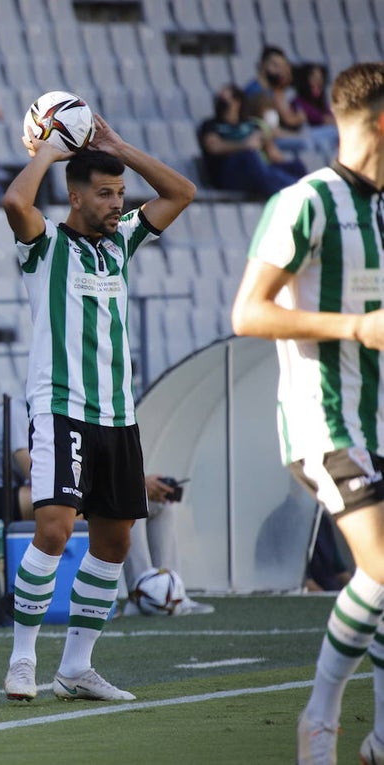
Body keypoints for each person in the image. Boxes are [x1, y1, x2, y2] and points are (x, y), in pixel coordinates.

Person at [0, 115, 196, 702]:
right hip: (62, 409)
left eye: (120, 194)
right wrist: (49, 153)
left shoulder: (122, 242)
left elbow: (181, 192)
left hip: (118, 414)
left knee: (114, 543)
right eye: (106, 193)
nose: (118, 203)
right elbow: (15, 201)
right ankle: (21, 659)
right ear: (75, 195)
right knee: (55, 530)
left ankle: (77, 668)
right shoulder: (45, 246)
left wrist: (119, 150)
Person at [229, 62, 384, 765]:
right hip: (325, 421)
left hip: (376, 420)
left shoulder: (380, 209)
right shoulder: (307, 201)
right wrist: (355, 328)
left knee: (380, 581)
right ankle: (319, 715)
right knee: (382, 568)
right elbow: (248, 311)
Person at [120, 474, 214, 616]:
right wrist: (138, 486)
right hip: (85, 501)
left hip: (109, 494)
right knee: (133, 500)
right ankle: (141, 595)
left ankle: (173, 593)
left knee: (160, 503)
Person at [198, 84, 306, 199]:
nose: (221, 102)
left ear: (237, 102)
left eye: (225, 99)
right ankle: (296, 194)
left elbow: (274, 155)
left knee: (296, 167)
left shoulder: (252, 125)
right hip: (229, 175)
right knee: (249, 156)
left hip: (259, 170)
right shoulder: (211, 125)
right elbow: (214, 147)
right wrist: (245, 145)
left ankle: (303, 190)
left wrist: (267, 142)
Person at [242, 45, 306, 152]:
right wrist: (293, 135)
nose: (279, 71)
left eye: (281, 67)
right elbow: (270, 130)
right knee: (306, 143)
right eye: (275, 65)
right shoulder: (256, 92)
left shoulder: (272, 91)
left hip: (274, 137)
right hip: (264, 142)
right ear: (263, 65)